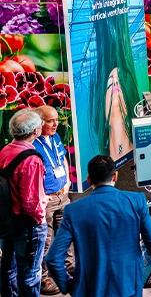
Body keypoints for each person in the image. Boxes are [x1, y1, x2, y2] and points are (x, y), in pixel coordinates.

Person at [46, 155, 151, 297]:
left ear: (89, 180)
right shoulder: (136, 201)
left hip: (90, 290)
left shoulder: (73, 211)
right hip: (128, 286)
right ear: (115, 176)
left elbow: (53, 258)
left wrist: (71, 286)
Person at [0, 109, 47, 297]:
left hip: (6, 220)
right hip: (27, 225)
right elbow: (30, 201)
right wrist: (40, 220)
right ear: (35, 131)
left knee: (8, 268)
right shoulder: (31, 159)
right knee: (30, 273)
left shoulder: (5, 150)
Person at [32, 106, 72, 295]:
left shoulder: (55, 137)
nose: (56, 124)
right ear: (39, 122)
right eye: (50, 121)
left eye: (56, 119)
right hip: (46, 200)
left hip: (63, 195)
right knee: (45, 240)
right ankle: (45, 277)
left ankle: (68, 266)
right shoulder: (32, 144)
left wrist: (68, 181)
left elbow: (62, 159)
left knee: (66, 234)